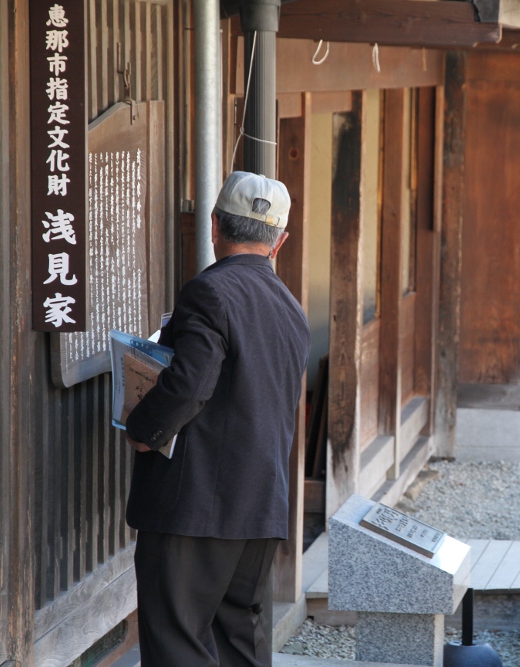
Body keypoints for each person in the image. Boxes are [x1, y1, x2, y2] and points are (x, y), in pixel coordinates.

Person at [124, 171, 311, 667]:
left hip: (196, 504)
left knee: (178, 643)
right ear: (280, 241)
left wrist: (143, 432)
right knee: (239, 645)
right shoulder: (292, 309)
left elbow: (189, 384)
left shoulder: (210, 293)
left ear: (214, 225)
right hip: (259, 507)